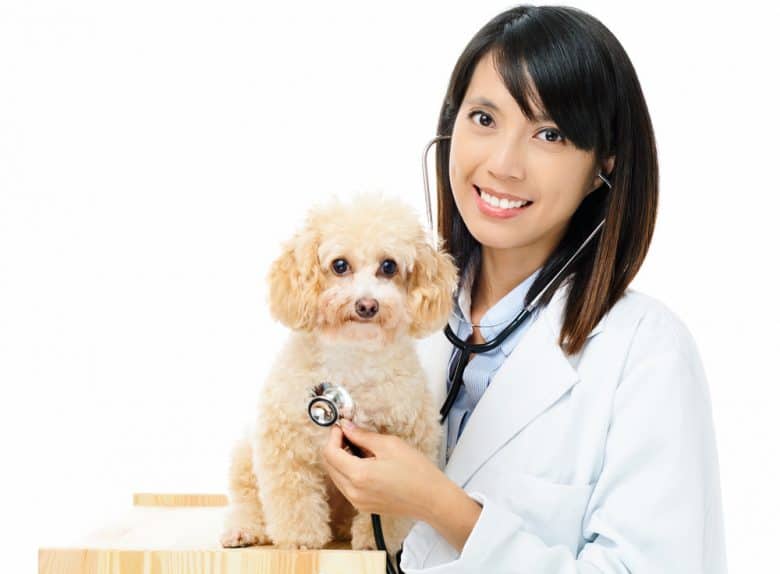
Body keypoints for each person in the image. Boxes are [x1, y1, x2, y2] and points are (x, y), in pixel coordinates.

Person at [321, 4, 728, 573]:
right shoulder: (391, 320)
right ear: (451, 123)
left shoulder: (647, 352)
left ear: (601, 165)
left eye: (549, 133)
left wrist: (441, 507)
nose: (505, 164)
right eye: (484, 119)